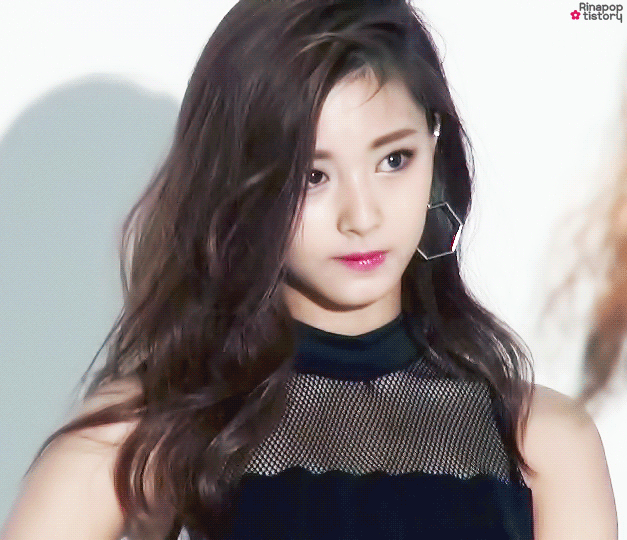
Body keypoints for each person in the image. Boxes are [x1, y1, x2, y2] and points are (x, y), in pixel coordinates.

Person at [0, 0, 618, 538]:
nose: (362, 216)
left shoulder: (542, 444)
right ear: (238, 183)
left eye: (394, 159)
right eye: (312, 176)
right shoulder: (143, 437)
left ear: (435, 149)